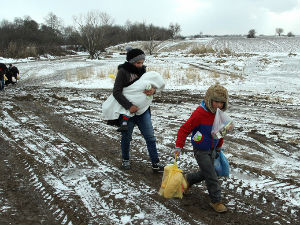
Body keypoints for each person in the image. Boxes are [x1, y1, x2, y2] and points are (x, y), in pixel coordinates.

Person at [174, 84, 229, 213]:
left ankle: (187, 180)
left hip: (213, 149)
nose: (219, 105)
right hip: (201, 150)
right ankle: (216, 200)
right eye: (216, 102)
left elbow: (221, 132)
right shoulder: (199, 114)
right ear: (209, 100)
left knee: (210, 172)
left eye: (222, 103)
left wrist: (219, 147)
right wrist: (179, 146)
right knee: (211, 175)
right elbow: (184, 129)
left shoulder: (220, 115)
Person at [111, 47, 165, 172]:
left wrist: (153, 91)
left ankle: (155, 164)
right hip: (128, 111)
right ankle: (125, 160)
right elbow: (116, 92)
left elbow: (150, 85)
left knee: (150, 137)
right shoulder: (123, 72)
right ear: (130, 61)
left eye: (142, 62)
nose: (140, 65)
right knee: (126, 137)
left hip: (143, 111)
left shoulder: (143, 71)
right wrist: (129, 106)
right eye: (137, 63)